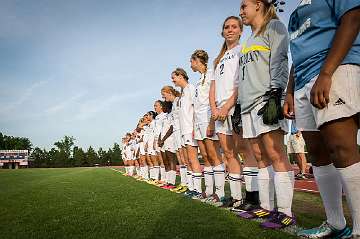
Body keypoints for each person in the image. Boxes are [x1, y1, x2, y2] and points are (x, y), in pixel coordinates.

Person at [284, 1, 360, 238]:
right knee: (317, 153)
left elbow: (353, 17)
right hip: (303, 79)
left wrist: (327, 72)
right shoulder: (296, 10)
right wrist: (289, 91)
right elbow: (297, 53)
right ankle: (336, 223)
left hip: (333, 68)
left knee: (341, 147)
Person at [238, 0, 295, 229]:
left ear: (259, 5)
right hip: (248, 104)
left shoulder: (274, 27)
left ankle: (286, 212)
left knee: (275, 152)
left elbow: (280, 61)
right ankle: (266, 206)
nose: (241, 11)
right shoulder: (248, 40)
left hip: (266, 98)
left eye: (244, 6)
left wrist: (276, 93)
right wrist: (239, 105)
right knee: (260, 156)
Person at [209, 16, 243, 207]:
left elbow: (241, 83)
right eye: (226, 27)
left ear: (240, 30)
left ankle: (255, 199)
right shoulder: (219, 58)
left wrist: (227, 106)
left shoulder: (242, 50)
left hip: (235, 107)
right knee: (229, 154)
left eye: (234, 27)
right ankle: (237, 197)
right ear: (222, 32)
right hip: (220, 111)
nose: (230, 30)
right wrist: (214, 108)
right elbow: (213, 86)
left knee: (246, 151)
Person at [190, 49, 223, 200]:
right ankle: (209, 190)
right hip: (198, 121)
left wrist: (211, 121)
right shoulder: (198, 80)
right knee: (205, 155)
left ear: (198, 61)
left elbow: (213, 99)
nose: (191, 64)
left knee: (213, 155)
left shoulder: (211, 74)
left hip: (208, 117)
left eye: (192, 61)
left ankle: (220, 192)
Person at [171, 68, 202, 197]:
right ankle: (191, 186)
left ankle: (198, 190)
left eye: (174, 77)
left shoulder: (190, 88)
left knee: (193, 159)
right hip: (184, 130)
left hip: (190, 129)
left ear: (181, 76)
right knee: (188, 160)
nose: (173, 80)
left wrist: (195, 127)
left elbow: (196, 108)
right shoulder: (182, 93)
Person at [161, 86, 189, 193]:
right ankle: (184, 183)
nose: (163, 97)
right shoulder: (173, 104)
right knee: (181, 159)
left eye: (163, 94)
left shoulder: (178, 100)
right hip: (177, 133)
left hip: (182, 131)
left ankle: (188, 184)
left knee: (185, 159)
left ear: (169, 92)